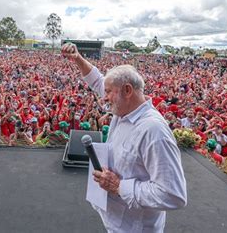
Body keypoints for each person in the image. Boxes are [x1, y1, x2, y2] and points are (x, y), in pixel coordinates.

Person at [61, 42, 187, 233]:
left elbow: (173, 195)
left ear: (127, 91)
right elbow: (97, 81)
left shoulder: (153, 131)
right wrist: (78, 59)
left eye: (109, 92)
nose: (104, 97)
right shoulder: (125, 109)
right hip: (117, 222)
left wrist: (120, 186)